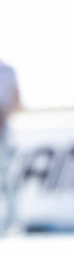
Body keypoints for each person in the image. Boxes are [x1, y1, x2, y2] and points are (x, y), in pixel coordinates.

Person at [0, 59, 19, 235]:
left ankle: (13, 222)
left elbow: (15, 98)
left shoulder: (7, 70)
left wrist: (3, 116)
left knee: (8, 177)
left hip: (4, 131)